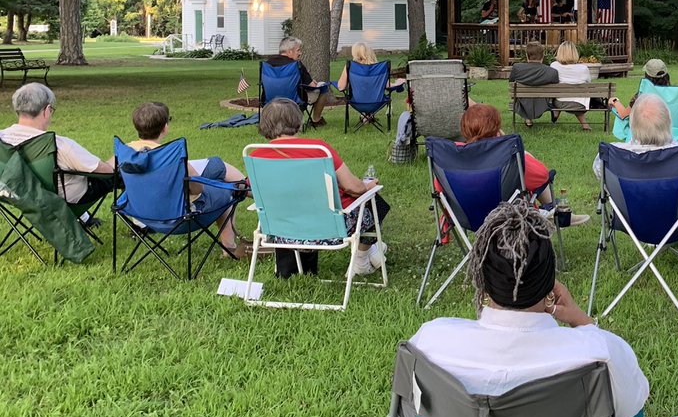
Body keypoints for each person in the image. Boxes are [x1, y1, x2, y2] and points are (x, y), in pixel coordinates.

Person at [408, 203, 648, 417]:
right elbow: (632, 404)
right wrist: (584, 322)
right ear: (550, 282)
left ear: (482, 279)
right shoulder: (598, 353)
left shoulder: (428, 343)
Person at [250, 99, 390, 278]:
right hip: (328, 231)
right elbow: (353, 187)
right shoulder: (317, 149)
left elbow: (258, 194)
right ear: (297, 122)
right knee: (374, 201)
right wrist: (367, 186)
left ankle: (370, 254)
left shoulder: (256, 156)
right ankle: (362, 259)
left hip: (281, 233)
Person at [125, 101, 248, 258]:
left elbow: (111, 172)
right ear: (165, 128)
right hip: (178, 218)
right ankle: (229, 248)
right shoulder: (172, 157)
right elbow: (197, 188)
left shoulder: (125, 152)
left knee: (218, 170)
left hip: (143, 215)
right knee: (227, 190)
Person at [459, 104, 588, 226]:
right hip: (508, 214)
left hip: (466, 216)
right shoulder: (509, 158)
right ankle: (550, 207)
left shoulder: (454, 158)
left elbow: (441, 191)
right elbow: (542, 176)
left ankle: (549, 208)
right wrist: (506, 145)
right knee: (524, 162)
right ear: (497, 130)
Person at [0, 83, 115, 210]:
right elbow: (106, 172)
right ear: (47, 110)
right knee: (117, 170)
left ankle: (85, 219)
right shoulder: (58, 146)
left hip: (15, 196)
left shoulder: (1, 138)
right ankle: (138, 222)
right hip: (61, 203)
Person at [594, 95, 678, 189]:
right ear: (668, 122)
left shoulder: (610, 155)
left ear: (632, 125)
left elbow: (601, 176)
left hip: (627, 220)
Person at [265, 36, 332, 127]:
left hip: (270, 101)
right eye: (298, 50)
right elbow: (312, 86)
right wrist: (313, 83)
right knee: (323, 86)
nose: (300, 53)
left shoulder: (267, 64)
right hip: (294, 102)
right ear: (290, 51)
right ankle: (316, 120)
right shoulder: (296, 65)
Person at [509, 42, 558, 127]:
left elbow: (511, 81)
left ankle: (528, 118)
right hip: (543, 104)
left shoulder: (517, 68)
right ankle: (529, 118)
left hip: (522, 103)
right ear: (542, 56)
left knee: (523, 97)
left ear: (527, 56)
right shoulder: (552, 72)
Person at [550, 41, 593, 131]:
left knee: (558, 94)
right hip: (581, 105)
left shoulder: (554, 66)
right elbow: (589, 83)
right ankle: (585, 125)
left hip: (560, 103)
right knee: (577, 97)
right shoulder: (583, 68)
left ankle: (556, 112)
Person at [335, 42, 405, 94]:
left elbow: (341, 87)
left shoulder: (351, 66)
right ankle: (369, 114)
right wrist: (398, 83)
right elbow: (388, 86)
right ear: (370, 52)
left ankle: (365, 114)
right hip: (377, 102)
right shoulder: (379, 68)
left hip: (357, 102)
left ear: (354, 53)